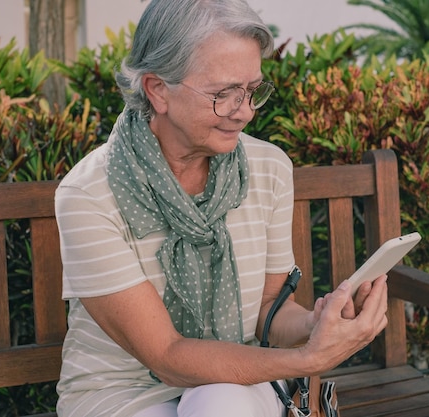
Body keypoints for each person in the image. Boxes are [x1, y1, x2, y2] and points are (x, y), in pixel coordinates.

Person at [54, 0, 389, 416]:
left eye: (252, 91)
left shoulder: (269, 169)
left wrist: (315, 325)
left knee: (221, 401)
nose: (245, 111)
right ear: (157, 89)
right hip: (121, 393)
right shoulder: (89, 194)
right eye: (223, 94)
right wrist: (309, 360)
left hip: (237, 382)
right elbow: (167, 355)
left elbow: (270, 309)